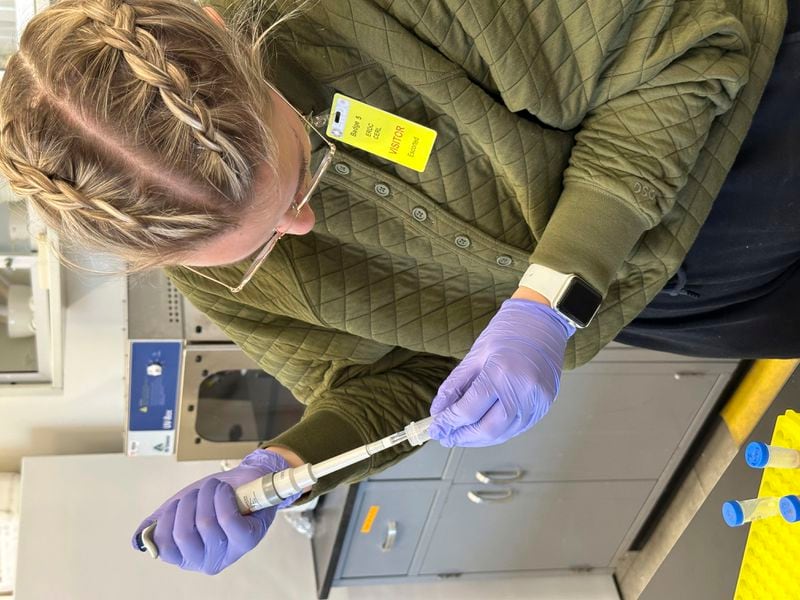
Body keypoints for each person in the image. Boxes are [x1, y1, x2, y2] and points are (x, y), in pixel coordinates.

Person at [0, 0, 794, 575]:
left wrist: (548, 296)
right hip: (665, 302)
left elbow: (691, 39)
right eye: (258, 245)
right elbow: (382, 382)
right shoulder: (200, 267)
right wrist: (287, 464)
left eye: (301, 170)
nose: (304, 228)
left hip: (749, 129)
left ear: (228, 30)